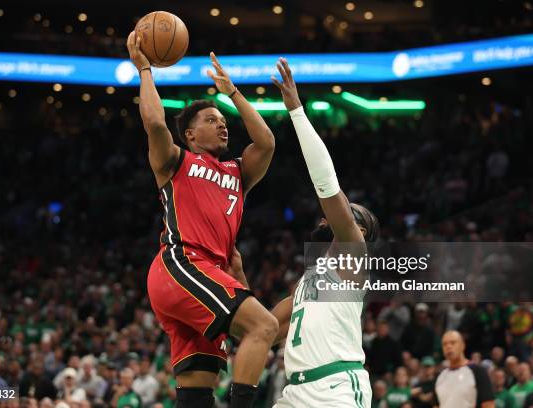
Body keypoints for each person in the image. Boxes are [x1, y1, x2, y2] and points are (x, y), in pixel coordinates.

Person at [126, 30, 278, 408]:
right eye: (212, 120)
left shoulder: (237, 172)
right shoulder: (175, 161)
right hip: (182, 263)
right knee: (264, 326)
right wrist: (145, 69)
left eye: (222, 120)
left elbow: (267, 142)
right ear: (191, 134)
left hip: (203, 273)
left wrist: (233, 94)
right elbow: (155, 124)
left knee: (197, 387)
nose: (222, 124)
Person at [265, 57, 379, 407]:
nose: (333, 214)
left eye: (349, 212)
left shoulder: (353, 254)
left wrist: (297, 112)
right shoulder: (307, 283)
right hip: (294, 392)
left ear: (357, 229)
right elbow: (265, 329)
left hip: (336, 388)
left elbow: (326, 184)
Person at [435, 330, 495, 408]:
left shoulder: (478, 371)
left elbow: (489, 405)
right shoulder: (440, 377)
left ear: (463, 345)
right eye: (444, 344)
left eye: (453, 343)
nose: (448, 346)